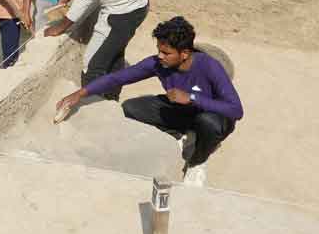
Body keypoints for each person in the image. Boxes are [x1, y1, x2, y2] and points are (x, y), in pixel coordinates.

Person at [56, 16, 243, 187]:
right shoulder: (158, 64)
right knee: (131, 108)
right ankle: (184, 135)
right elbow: (119, 78)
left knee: (208, 123)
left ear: (184, 53)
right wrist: (80, 93)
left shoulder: (209, 66)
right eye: (159, 51)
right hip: (181, 112)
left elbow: (236, 110)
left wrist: (192, 98)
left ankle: (197, 161)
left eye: (166, 52)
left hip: (212, 115)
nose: (160, 56)